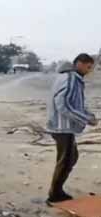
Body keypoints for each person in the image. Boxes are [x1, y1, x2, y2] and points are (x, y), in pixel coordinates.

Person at [46, 53, 98, 205]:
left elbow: (76, 104)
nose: (89, 70)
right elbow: (64, 105)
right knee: (66, 160)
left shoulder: (71, 78)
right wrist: (86, 119)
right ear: (79, 63)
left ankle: (57, 190)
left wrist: (88, 114)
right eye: (88, 67)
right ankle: (55, 194)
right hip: (62, 127)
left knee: (71, 157)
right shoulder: (70, 79)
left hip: (64, 126)